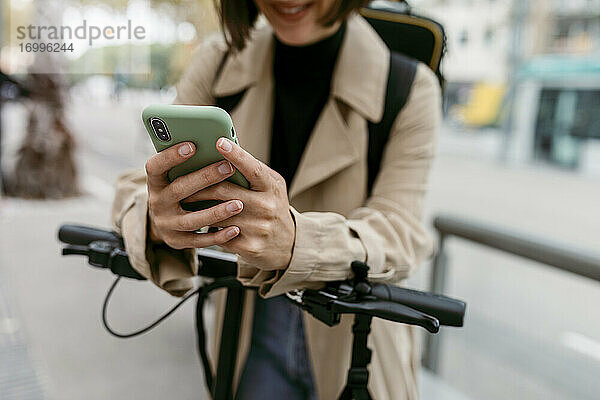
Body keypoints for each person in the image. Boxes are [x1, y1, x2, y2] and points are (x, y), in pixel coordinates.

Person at [111, 0, 441, 398]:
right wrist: (157, 215)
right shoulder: (217, 61)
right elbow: (140, 183)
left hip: (356, 342)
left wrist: (298, 241)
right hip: (249, 327)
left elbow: (400, 231)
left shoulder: (409, 86)